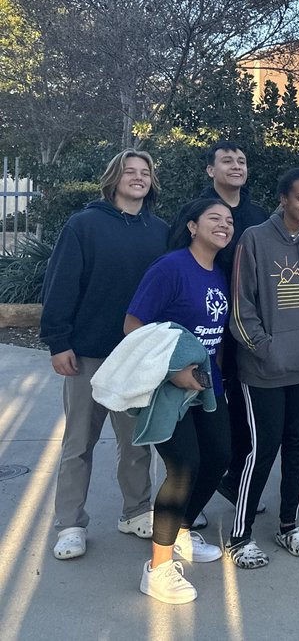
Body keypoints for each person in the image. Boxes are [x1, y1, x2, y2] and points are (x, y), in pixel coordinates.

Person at [42, 149, 167, 561]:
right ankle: (71, 524)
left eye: (144, 172)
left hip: (137, 358)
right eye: (129, 171)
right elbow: (61, 285)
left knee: (135, 445)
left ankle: (135, 511)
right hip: (87, 356)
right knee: (79, 443)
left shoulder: (160, 231)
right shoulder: (84, 225)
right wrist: (59, 342)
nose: (137, 177)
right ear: (113, 179)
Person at [124, 199, 235, 603]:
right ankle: (156, 568)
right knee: (183, 467)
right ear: (192, 225)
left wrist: (212, 376)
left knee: (220, 457)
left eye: (229, 221)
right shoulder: (170, 268)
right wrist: (173, 374)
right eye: (214, 219)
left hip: (208, 387)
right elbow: (133, 325)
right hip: (170, 391)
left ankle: (184, 532)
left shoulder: (219, 273)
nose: (224, 225)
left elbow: (216, 337)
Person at [226, 168, 299, 568]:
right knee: (262, 449)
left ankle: (289, 525)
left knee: (297, 446)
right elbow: (241, 306)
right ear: (283, 199)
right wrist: (265, 349)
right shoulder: (253, 239)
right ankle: (240, 535)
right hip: (265, 369)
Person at [171, 141, 269, 525]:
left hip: (244, 327)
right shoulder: (196, 211)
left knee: (239, 411)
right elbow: (176, 263)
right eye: (226, 160)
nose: (236, 165)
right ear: (210, 170)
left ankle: (234, 482)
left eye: (242, 160)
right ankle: (186, 498)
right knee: (191, 412)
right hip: (201, 325)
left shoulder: (258, 215)